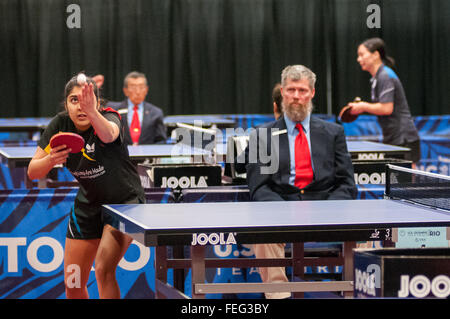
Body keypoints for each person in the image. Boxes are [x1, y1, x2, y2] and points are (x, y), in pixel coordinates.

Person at [27, 74, 145, 299]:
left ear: (98, 104)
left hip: (124, 204)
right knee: (72, 281)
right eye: (74, 100)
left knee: (103, 270)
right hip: (88, 206)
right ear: (66, 104)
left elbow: (109, 135)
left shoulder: (110, 117)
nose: (80, 106)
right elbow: (33, 172)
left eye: (86, 101)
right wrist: (51, 160)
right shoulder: (60, 124)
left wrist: (93, 112)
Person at [246, 65, 357, 299]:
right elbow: (259, 187)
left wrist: (328, 209)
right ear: (283, 92)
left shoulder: (333, 133)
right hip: (280, 208)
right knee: (263, 235)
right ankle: (279, 296)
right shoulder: (262, 135)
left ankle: (358, 292)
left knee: (369, 232)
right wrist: (285, 211)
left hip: (326, 207)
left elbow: (346, 183)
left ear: (313, 93)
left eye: (303, 90)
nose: (297, 96)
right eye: (291, 90)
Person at [346, 37, 421, 166]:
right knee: (396, 181)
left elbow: (387, 108)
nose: (359, 59)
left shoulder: (385, 75)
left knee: (407, 181)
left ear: (375, 55)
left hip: (403, 137)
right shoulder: (377, 78)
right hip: (393, 135)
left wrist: (363, 106)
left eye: (362, 55)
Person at [110, 71, 167, 145]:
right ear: (125, 91)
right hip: (121, 155)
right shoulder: (114, 110)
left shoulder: (155, 113)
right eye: (133, 87)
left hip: (147, 154)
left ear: (146, 90)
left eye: (141, 87)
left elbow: (161, 141)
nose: (138, 91)